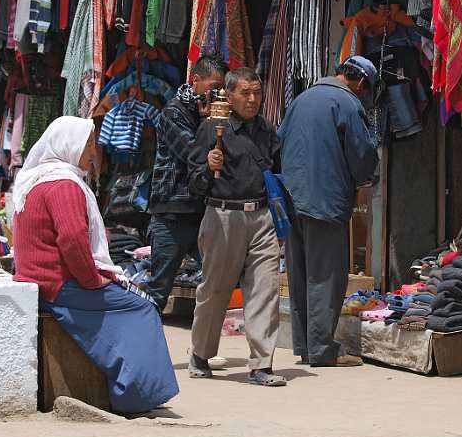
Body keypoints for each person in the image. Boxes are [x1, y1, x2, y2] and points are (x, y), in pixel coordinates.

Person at [12, 116, 179, 414]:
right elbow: (73, 240)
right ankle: (136, 395)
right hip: (60, 285)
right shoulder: (63, 185)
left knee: (134, 298)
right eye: (88, 144)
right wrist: (92, 280)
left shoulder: (40, 179)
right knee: (143, 307)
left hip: (43, 279)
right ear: (69, 145)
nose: (93, 152)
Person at [187, 67, 286, 386]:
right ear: (228, 95)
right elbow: (194, 183)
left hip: (261, 216)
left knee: (265, 289)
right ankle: (200, 354)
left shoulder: (266, 129)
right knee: (215, 289)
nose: (253, 99)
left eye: (257, 92)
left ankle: (261, 364)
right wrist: (207, 166)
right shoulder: (211, 130)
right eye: (245, 93)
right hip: (223, 216)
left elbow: (276, 167)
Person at [278, 55, 379, 367]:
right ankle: (322, 349)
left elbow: (279, 141)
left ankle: (306, 345)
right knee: (325, 276)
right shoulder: (348, 104)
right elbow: (362, 155)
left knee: (300, 274)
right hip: (324, 200)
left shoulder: (301, 100)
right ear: (361, 83)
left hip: (291, 198)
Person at [146, 55, 226, 312]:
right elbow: (193, 154)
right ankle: (146, 344)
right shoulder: (173, 112)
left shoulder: (215, 114)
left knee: (216, 280)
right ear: (196, 81)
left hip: (201, 211)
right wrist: (206, 123)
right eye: (213, 87)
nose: (217, 94)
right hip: (172, 212)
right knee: (159, 289)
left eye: (221, 89)